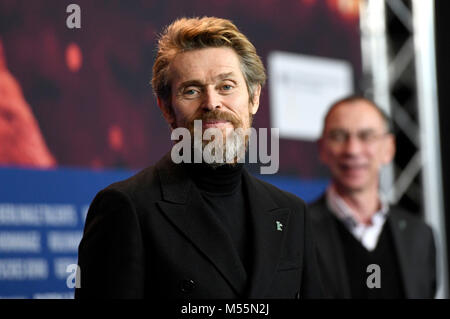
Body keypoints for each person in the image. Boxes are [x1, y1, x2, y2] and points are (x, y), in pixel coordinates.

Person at [75, 16, 323, 299]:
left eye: (226, 86)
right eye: (191, 90)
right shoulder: (127, 207)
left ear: (254, 98)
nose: (211, 103)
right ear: (167, 108)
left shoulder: (291, 212)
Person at [309, 95, 436, 298]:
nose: (353, 150)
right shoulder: (298, 231)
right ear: (322, 148)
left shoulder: (419, 235)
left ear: (389, 148)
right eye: (339, 136)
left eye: (366, 136)